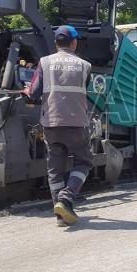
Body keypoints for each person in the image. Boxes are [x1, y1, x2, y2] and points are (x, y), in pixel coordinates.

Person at [23, 25, 93, 227]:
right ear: (74, 42)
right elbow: (82, 91)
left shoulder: (44, 63)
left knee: (55, 169)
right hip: (77, 124)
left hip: (52, 123)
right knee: (84, 162)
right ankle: (66, 198)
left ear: (56, 42)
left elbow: (34, 94)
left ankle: (61, 216)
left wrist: (27, 91)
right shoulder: (85, 65)